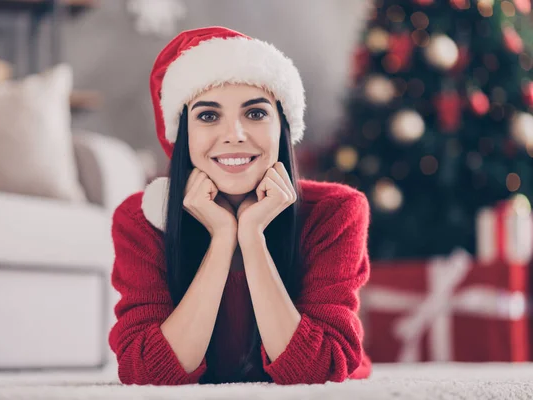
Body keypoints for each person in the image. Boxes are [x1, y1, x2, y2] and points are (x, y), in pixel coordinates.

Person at [108, 26, 372, 385]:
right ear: (183, 134)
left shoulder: (336, 212)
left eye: (256, 113)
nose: (234, 134)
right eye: (208, 116)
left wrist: (252, 237)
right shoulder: (141, 219)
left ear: (283, 126)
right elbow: (147, 373)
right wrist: (221, 238)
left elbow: (316, 371)